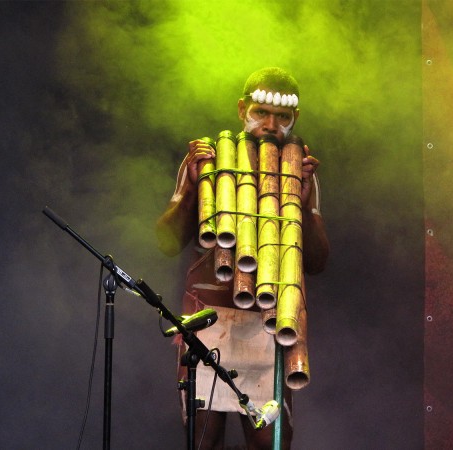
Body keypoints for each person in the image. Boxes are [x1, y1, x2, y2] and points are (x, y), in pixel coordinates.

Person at [156, 67, 329, 450]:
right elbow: (168, 242)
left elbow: (316, 262)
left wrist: (299, 203)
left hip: (272, 326)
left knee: (269, 443)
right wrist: (196, 188)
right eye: (260, 112)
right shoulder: (210, 158)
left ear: (294, 119)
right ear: (241, 109)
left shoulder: (299, 168)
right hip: (208, 323)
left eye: (282, 116)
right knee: (204, 441)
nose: (270, 124)